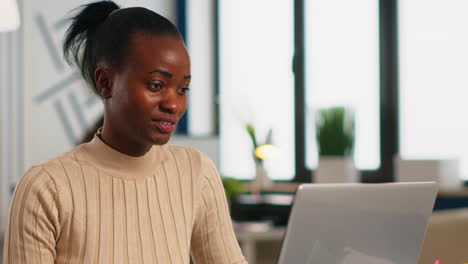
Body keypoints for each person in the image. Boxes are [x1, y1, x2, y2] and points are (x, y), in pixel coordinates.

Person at [2, 1, 247, 263]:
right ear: (105, 82)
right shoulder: (45, 188)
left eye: (182, 89)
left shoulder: (196, 173)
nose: (173, 104)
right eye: (156, 85)